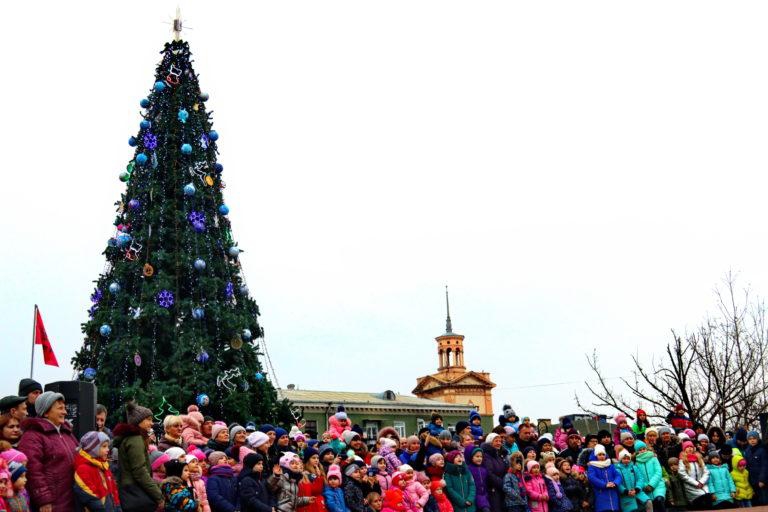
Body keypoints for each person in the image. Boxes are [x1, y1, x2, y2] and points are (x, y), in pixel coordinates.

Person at [17, 391, 78, 512]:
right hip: (52, 505)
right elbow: (33, 471)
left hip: (73, 501)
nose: (65, 412)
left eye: (64, 408)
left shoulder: (67, 433)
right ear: (45, 412)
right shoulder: (32, 436)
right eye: (60, 408)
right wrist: (44, 499)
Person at [112, 400, 164, 511]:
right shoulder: (135, 439)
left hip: (130, 491)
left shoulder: (131, 438)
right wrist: (158, 496)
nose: (152, 423)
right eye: (148, 419)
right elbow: (140, 471)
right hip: (135, 493)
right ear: (138, 421)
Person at [73, 431, 121, 511]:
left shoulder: (103, 466)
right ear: (93, 448)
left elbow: (113, 491)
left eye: (108, 446)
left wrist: (118, 508)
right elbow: (90, 498)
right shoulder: (83, 469)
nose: (108, 449)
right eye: (104, 446)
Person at [676, 441, 710, 510]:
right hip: (690, 487)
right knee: (700, 503)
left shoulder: (699, 458)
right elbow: (682, 474)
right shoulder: (682, 460)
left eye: (691, 447)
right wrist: (696, 483)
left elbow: (706, 472)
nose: (690, 448)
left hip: (702, 485)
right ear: (684, 449)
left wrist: (701, 482)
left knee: (708, 499)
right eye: (687, 447)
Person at [632, 441, 665, 512]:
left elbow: (658, 472)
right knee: (652, 506)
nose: (642, 451)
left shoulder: (654, 458)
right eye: (640, 450)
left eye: (644, 449)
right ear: (637, 452)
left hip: (657, 485)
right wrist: (645, 485)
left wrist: (651, 485)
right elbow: (639, 477)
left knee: (659, 500)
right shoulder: (636, 463)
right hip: (646, 488)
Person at [586, 445, 621, 512]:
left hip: (613, 493)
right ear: (595, 456)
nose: (602, 456)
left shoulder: (610, 466)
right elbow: (592, 477)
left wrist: (615, 483)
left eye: (603, 454)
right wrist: (604, 484)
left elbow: (618, 476)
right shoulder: (592, 466)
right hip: (600, 494)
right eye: (599, 455)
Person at [482, 432, 509, 512]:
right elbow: (489, 474)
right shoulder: (486, 456)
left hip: (501, 488)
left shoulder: (499, 455)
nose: (499, 443)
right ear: (490, 442)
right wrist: (502, 483)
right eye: (496, 441)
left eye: (500, 441)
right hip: (493, 490)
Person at [743, 431, 767, 505]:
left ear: (758, 439)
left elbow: (765, 466)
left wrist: (762, 480)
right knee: (756, 502)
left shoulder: (762, 450)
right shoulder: (747, 451)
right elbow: (746, 466)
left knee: (764, 501)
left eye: (754, 438)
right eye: (750, 439)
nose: (752, 440)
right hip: (752, 481)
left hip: (762, 481)